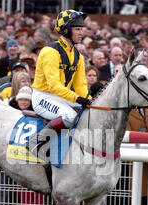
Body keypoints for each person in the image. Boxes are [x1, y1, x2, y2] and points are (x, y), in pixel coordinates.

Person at [26, 9, 90, 161]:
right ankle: (35, 142)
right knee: (70, 116)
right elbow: (54, 85)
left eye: (82, 29)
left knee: (89, 113)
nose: (81, 33)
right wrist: (77, 98)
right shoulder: (50, 51)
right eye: (77, 29)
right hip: (42, 97)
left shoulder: (78, 56)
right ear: (66, 30)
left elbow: (81, 86)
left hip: (61, 96)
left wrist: (89, 100)